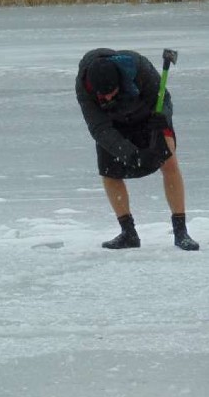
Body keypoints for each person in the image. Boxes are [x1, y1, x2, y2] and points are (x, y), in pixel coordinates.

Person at [76, 49, 199, 251]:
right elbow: (99, 128)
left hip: (149, 118)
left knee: (169, 160)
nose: (106, 98)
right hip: (114, 126)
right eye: (102, 95)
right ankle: (128, 233)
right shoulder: (84, 86)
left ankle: (181, 232)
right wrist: (131, 155)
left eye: (111, 92)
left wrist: (164, 118)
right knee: (109, 173)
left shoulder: (139, 68)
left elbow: (164, 98)